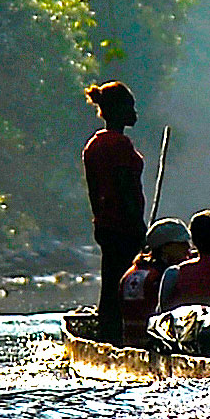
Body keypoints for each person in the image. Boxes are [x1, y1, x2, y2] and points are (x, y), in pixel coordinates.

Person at [82, 80, 146, 343]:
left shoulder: (94, 145)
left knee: (111, 281)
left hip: (105, 226)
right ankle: (121, 335)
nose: (135, 112)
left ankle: (109, 331)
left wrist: (101, 218)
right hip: (124, 227)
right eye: (130, 106)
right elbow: (125, 187)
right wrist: (139, 228)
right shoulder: (118, 145)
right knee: (125, 283)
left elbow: (94, 191)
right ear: (117, 110)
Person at [118, 217, 191, 345]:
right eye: (181, 244)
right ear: (165, 248)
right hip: (152, 345)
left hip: (130, 342)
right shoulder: (163, 277)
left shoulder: (131, 273)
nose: (188, 248)